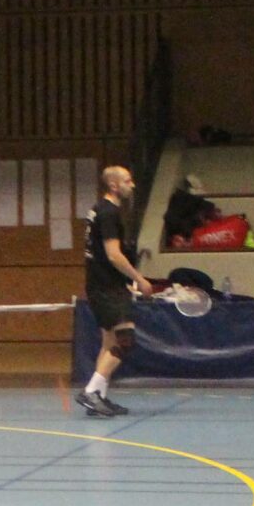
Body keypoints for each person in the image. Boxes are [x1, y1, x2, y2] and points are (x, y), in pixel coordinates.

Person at [78, 164, 157, 418]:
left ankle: (98, 398)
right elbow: (113, 255)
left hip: (100, 284)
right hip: (107, 288)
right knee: (126, 341)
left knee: (109, 343)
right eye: (127, 181)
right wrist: (139, 279)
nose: (132, 185)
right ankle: (91, 392)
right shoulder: (109, 213)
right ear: (113, 185)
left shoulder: (96, 209)